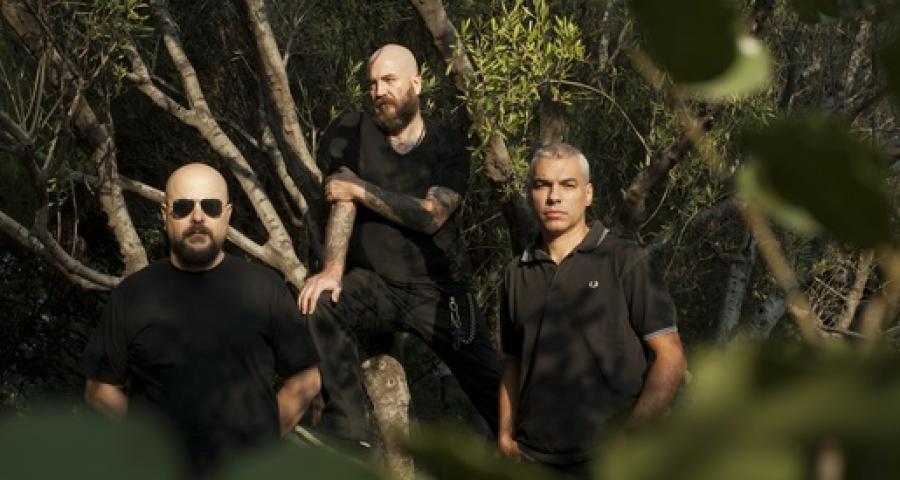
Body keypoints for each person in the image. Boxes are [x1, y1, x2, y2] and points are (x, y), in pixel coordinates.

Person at [297, 44, 502, 447]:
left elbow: (431, 216)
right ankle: (350, 435)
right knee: (321, 302)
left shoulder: (448, 146)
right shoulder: (351, 131)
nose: (379, 91)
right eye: (372, 83)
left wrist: (362, 189)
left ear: (416, 83)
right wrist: (333, 270)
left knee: (490, 383)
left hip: (438, 292)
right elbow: (342, 200)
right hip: (376, 285)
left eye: (389, 80)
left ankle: (530, 454)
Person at [82, 163, 321, 477]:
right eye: (183, 207)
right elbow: (99, 388)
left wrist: (260, 444)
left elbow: (307, 379)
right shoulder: (132, 295)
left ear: (227, 214)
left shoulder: (265, 288)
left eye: (210, 206)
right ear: (165, 214)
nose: (198, 217)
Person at [498, 144, 686, 478]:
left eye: (567, 185)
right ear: (530, 194)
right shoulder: (516, 272)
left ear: (588, 195)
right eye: (543, 185)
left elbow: (670, 356)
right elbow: (513, 362)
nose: (554, 197)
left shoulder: (625, 260)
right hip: (532, 460)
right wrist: (504, 433)